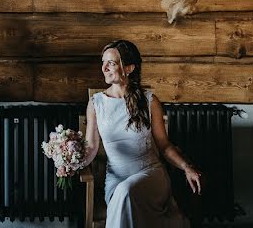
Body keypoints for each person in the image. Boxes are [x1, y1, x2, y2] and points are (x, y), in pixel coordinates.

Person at [82, 40, 201, 228]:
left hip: (150, 176)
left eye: (111, 63)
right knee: (124, 192)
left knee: (127, 192)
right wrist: (71, 162)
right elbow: (91, 147)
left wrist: (186, 166)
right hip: (116, 180)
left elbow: (164, 145)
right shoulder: (96, 103)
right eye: (103, 62)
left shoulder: (149, 101)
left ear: (128, 68)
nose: (104, 68)